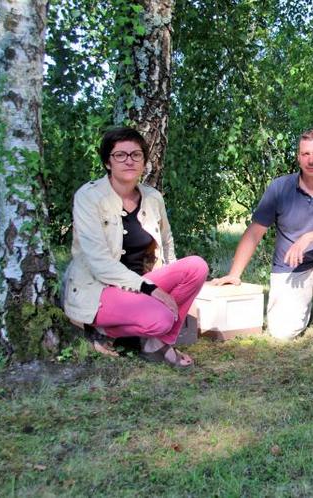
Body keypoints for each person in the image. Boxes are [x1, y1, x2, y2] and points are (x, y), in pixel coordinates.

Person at [62, 127, 208, 368]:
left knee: (196, 267)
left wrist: (169, 292)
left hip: (141, 285)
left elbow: (167, 242)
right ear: (108, 162)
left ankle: (156, 343)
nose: (129, 160)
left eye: (136, 155)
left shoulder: (152, 197)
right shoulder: (89, 197)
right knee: (160, 317)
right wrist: (153, 291)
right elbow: (100, 264)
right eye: (120, 155)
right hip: (100, 288)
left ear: (144, 161)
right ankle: (100, 329)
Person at [212, 127, 313, 345]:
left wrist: (310, 236)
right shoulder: (279, 188)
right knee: (282, 332)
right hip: (291, 270)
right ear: (298, 157)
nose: (311, 160)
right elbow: (255, 233)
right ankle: (304, 307)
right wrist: (235, 274)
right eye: (305, 154)